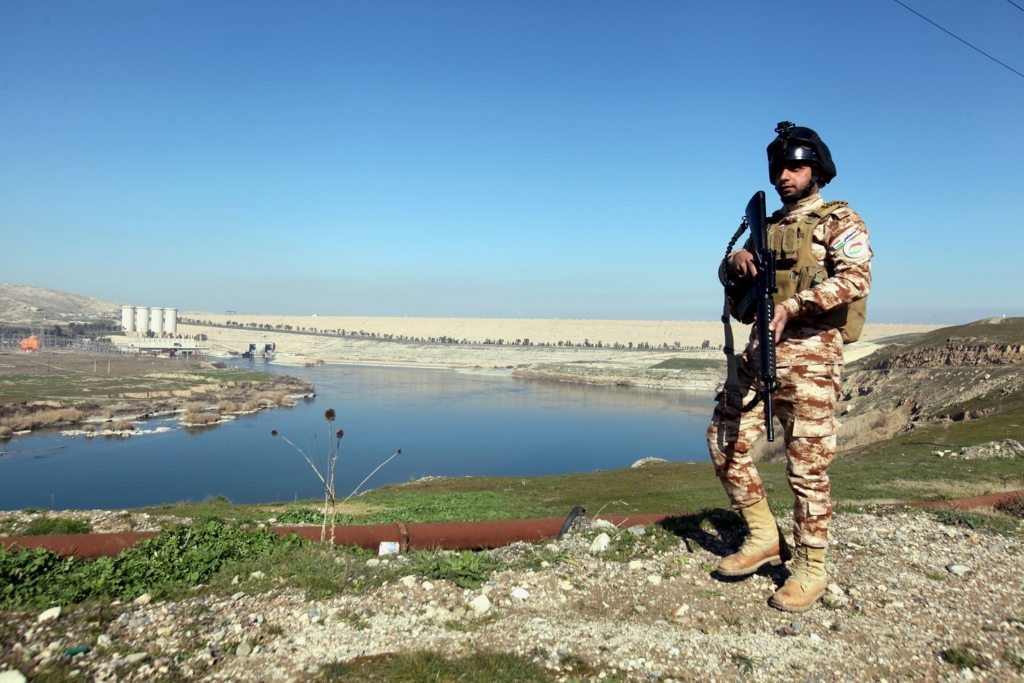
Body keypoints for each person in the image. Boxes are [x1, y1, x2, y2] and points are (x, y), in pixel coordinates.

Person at [706, 121, 872, 612]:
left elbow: (855, 280)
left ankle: (811, 567)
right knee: (724, 438)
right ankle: (762, 536)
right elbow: (735, 284)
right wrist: (734, 260)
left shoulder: (840, 221)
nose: (784, 175)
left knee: (807, 469)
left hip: (813, 359)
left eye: (795, 166)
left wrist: (796, 306)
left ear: (816, 169)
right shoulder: (769, 226)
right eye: (778, 167)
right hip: (760, 355)